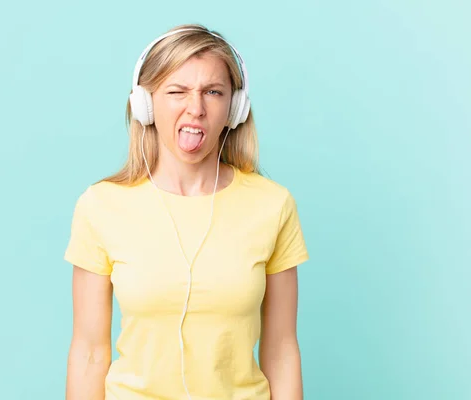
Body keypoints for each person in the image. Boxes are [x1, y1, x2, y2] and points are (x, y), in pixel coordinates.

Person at [63, 23, 310, 400]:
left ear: (235, 107)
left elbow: (281, 352)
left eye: (213, 92)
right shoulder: (100, 206)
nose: (195, 108)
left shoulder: (273, 205)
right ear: (146, 105)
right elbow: (89, 353)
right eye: (176, 91)